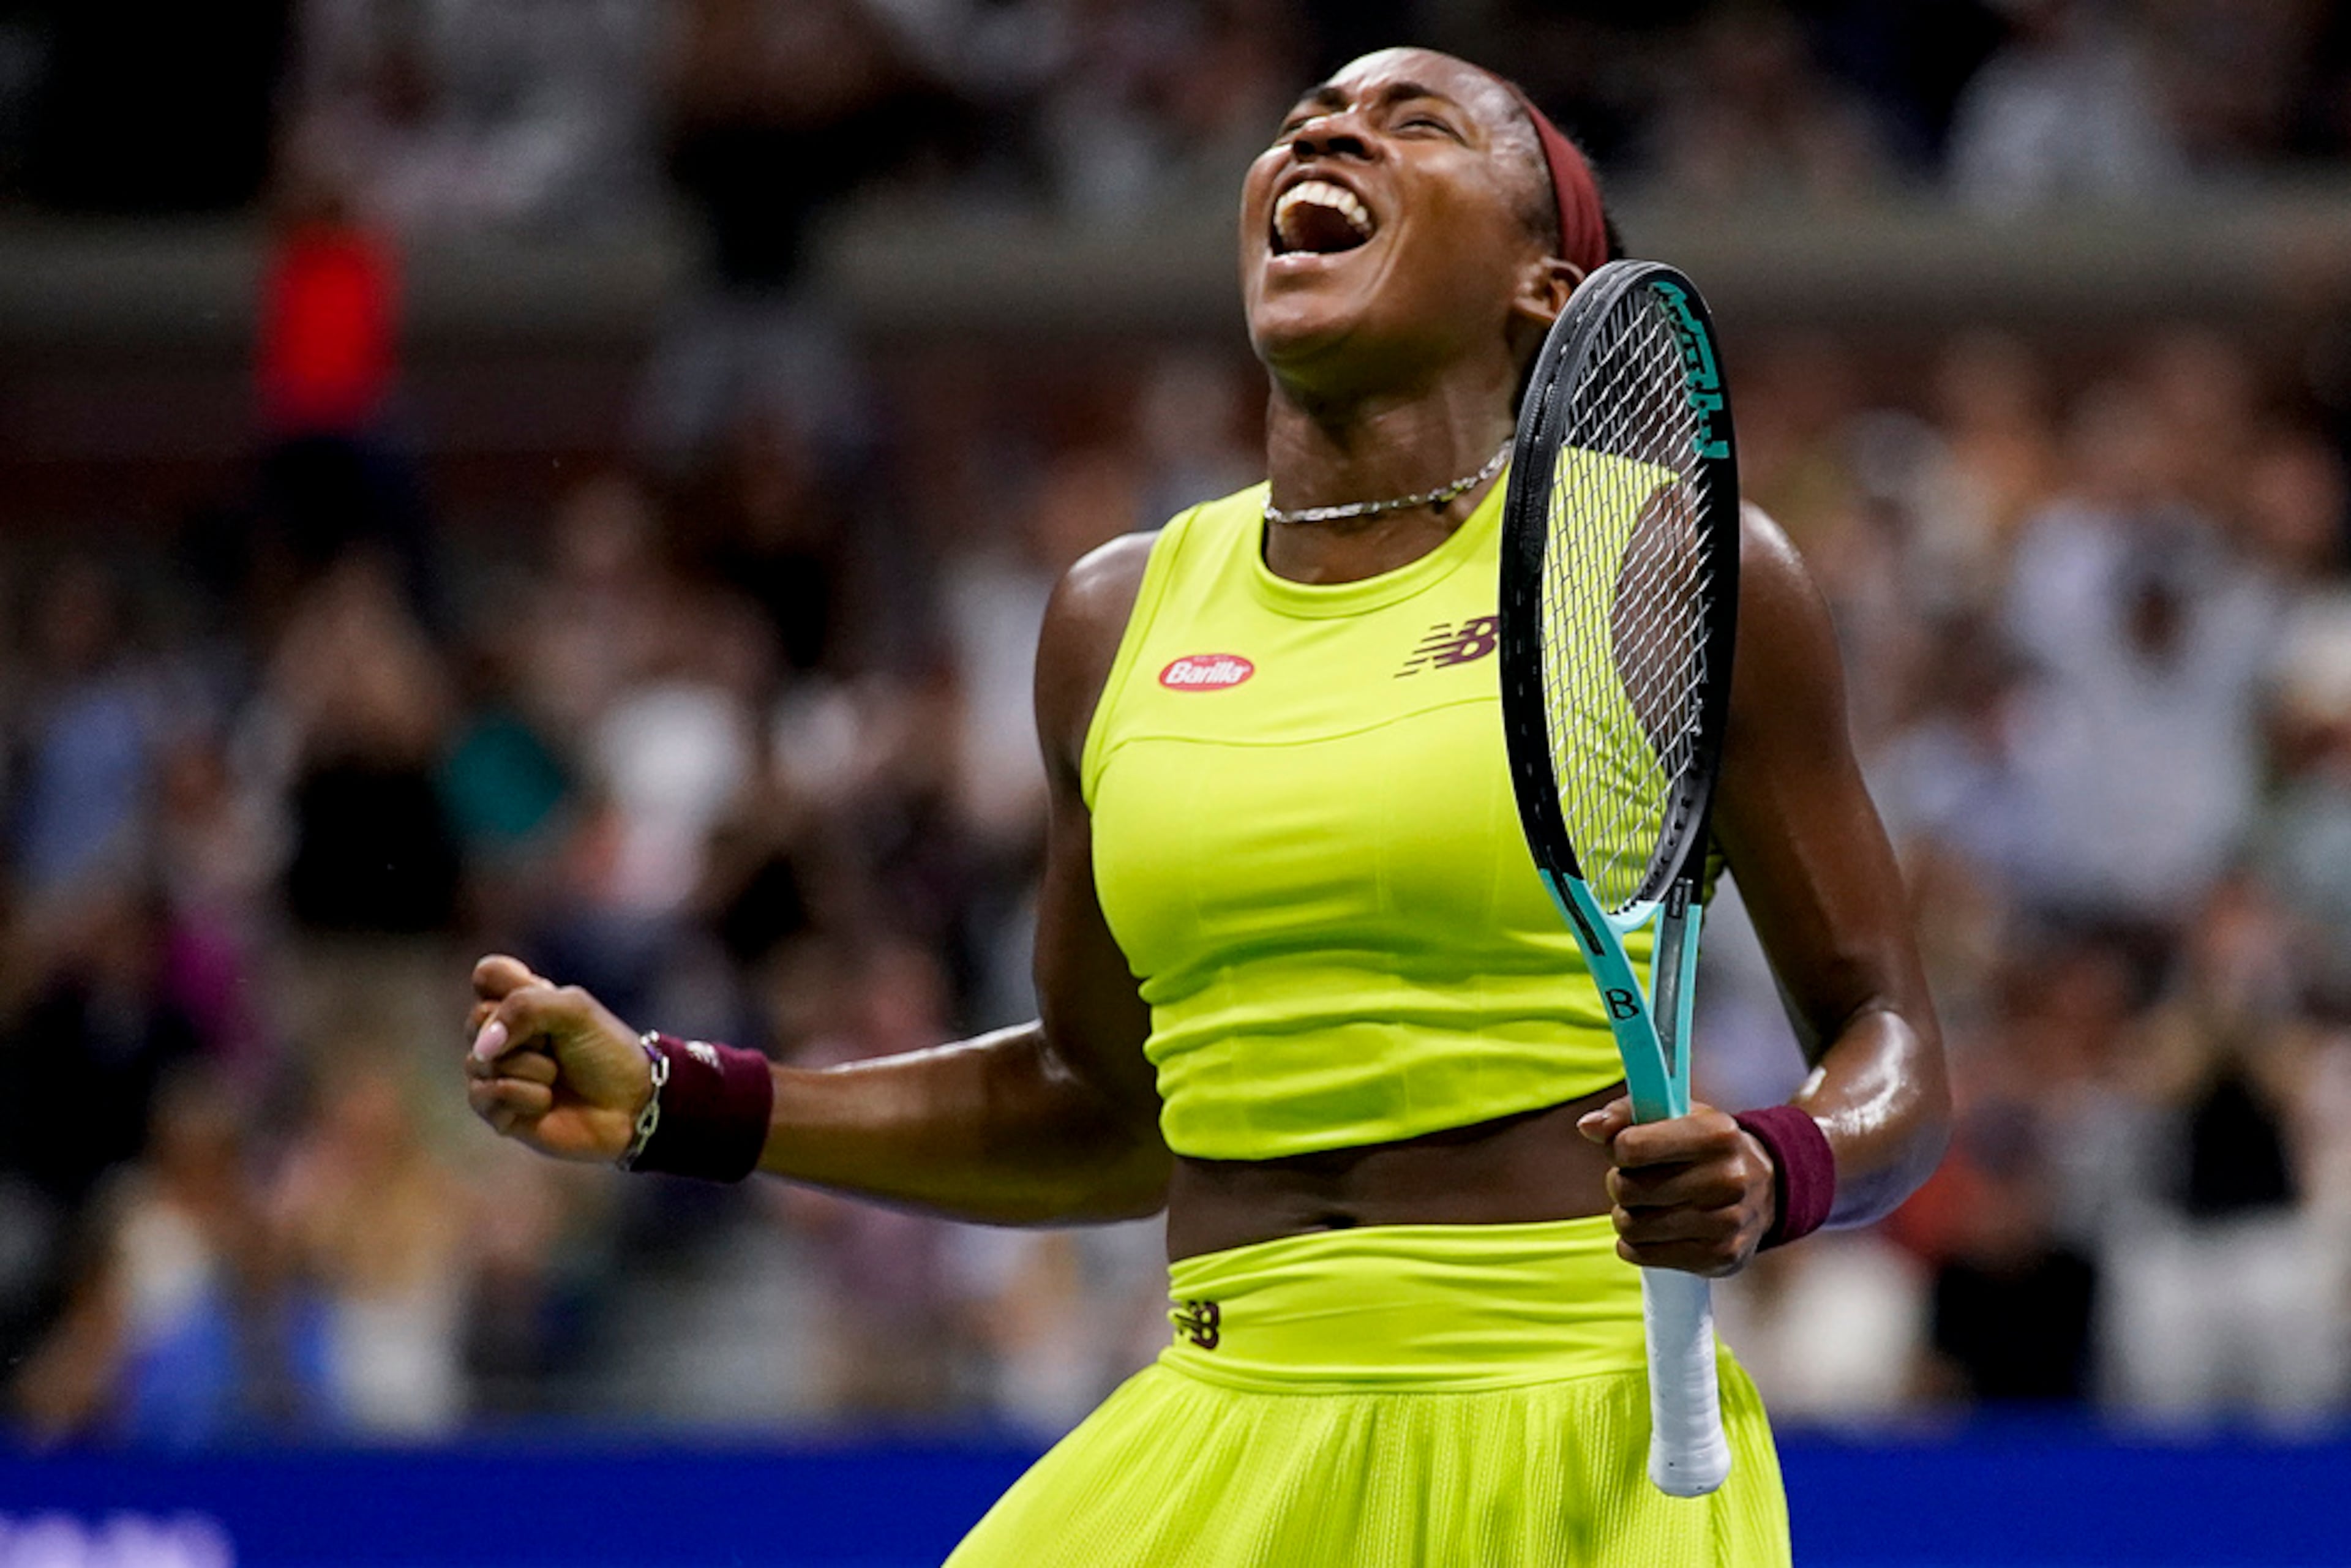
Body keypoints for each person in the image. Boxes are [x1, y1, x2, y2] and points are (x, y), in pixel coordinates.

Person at [462, 47, 1947, 1566]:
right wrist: (675, 1095)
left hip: (1571, 1436)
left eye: (1411, 122)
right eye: (1312, 117)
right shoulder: (1115, 618)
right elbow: (1100, 1113)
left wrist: (1781, 1166)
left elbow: (1891, 1046)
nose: (1330, 130)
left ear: (1544, 292)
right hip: (1218, 1420)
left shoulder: (1671, 567)